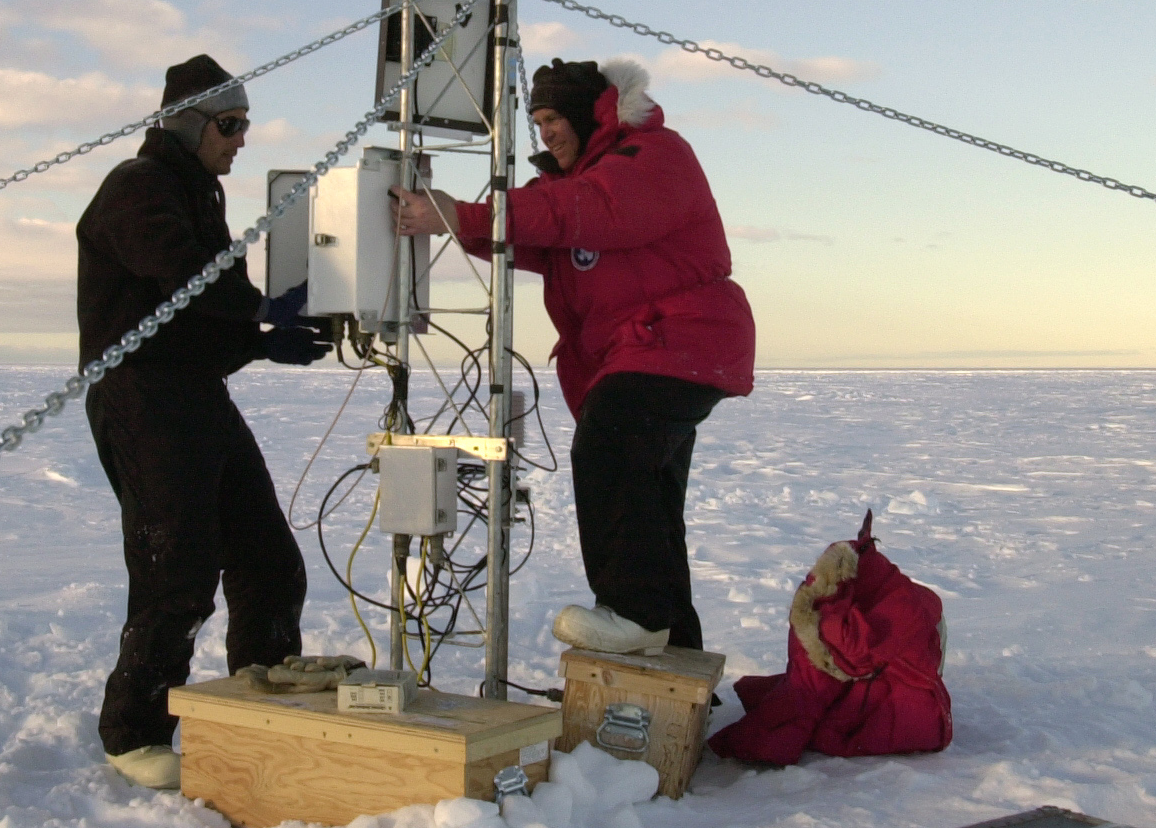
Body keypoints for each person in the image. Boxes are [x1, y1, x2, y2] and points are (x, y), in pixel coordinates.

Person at [392, 57, 754, 656]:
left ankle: (636, 613)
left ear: (592, 113)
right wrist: (458, 223)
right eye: (536, 122)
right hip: (653, 348)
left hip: (680, 340)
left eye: (554, 117)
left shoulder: (652, 156)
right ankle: (675, 651)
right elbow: (543, 232)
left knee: (608, 444)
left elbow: (586, 210)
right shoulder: (577, 184)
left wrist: (461, 213)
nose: (545, 133)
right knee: (651, 496)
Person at [76, 53, 330, 788]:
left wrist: (260, 341)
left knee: (266, 558)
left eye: (245, 124)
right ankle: (134, 732)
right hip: (141, 396)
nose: (240, 138)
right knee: (175, 567)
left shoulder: (195, 192)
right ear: (187, 126)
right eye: (229, 124)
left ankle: (263, 698)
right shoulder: (137, 188)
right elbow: (182, 272)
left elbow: (204, 307)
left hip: (194, 392)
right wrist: (257, 311)